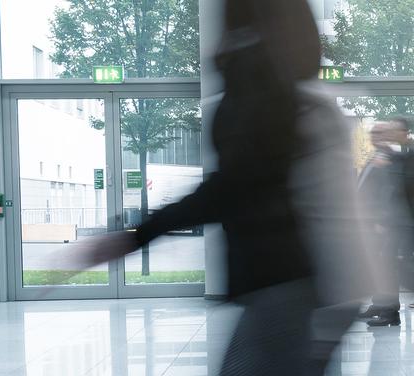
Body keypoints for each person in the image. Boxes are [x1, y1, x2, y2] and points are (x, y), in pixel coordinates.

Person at [69, 0, 372, 374]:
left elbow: (236, 183)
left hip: (284, 278)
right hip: (311, 278)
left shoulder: (261, 80)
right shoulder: (294, 92)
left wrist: (137, 234)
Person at [357, 117, 414, 327]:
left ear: (404, 132)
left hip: (396, 221)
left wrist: (381, 219)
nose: (384, 135)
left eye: (389, 131)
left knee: (391, 266)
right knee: (383, 265)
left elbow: (392, 191)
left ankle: (389, 310)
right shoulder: (385, 156)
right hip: (390, 221)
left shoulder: (400, 156)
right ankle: (383, 305)